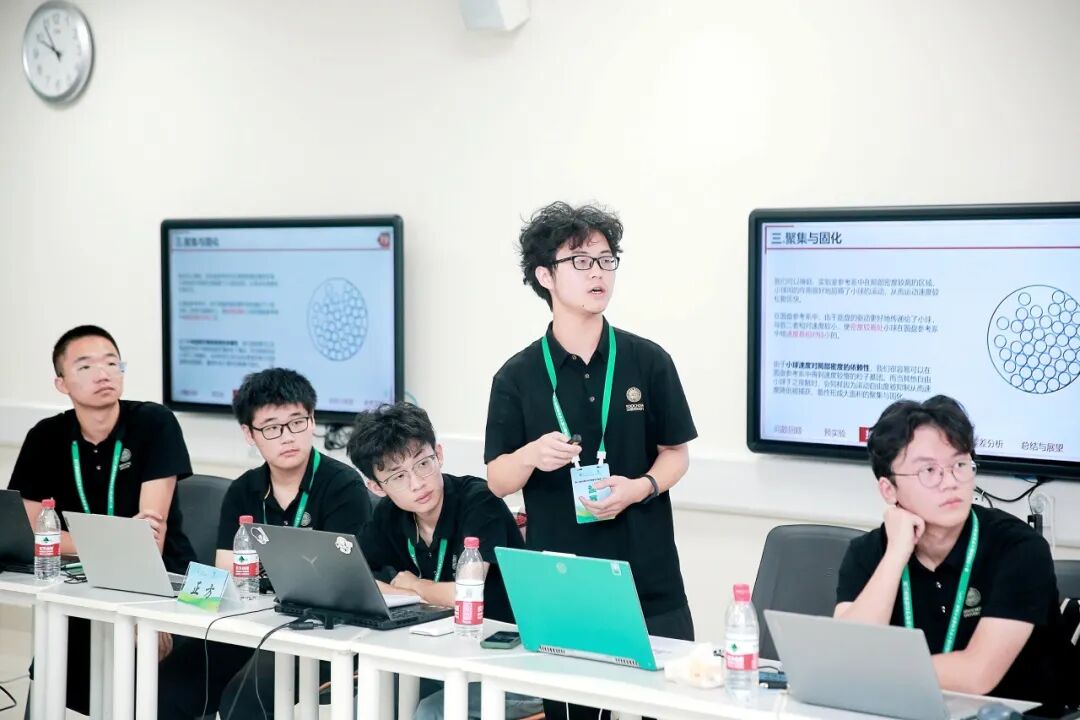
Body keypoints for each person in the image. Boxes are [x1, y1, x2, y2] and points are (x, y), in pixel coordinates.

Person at [484, 202, 698, 719]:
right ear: (545, 276)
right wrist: (531, 455)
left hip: (649, 574)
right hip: (565, 582)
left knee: (669, 707)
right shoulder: (517, 376)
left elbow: (675, 455)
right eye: (581, 262)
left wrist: (641, 487)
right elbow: (497, 479)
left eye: (606, 260)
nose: (598, 273)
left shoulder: (648, 360)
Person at [157, 368, 373, 720]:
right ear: (249, 434)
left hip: (316, 635)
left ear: (312, 420)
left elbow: (339, 582)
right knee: (169, 687)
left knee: (244, 700)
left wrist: (260, 573)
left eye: (297, 423)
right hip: (248, 625)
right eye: (272, 428)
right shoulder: (243, 489)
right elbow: (226, 570)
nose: (287, 437)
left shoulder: (343, 487)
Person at [8, 324, 196, 715]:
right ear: (61, 383)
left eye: (112, 363)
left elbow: (150, 539)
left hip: (161, 585)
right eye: (86, 366)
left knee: (150, 666)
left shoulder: (154, 423)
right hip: (79, 584)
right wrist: (114, 541)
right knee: (54, 662)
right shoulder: (45, 437)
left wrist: (69, 540)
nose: (103, 373)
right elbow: (32, 536)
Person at [835, 395, 1072, 704]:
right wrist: (895, 555)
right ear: (889, 489)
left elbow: (977, 674)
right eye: (929, 471)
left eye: (960, 465)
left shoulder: (1019, 548)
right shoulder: (867, 552)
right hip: (911, 709)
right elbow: (848, 653)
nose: (950, 482)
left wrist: (871, 670)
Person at [347, 402, 541, 720]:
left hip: (510, 662)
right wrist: (412, 590)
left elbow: (464, 594)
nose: (417, 483)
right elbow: (358, 581)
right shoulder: (389, 515)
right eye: (398, 476)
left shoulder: (479, 500)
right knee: (365, 704)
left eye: (423, 464)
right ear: (376, 487)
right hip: (441, 658)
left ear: (439, 454)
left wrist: (412, 585)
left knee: (431, 712)